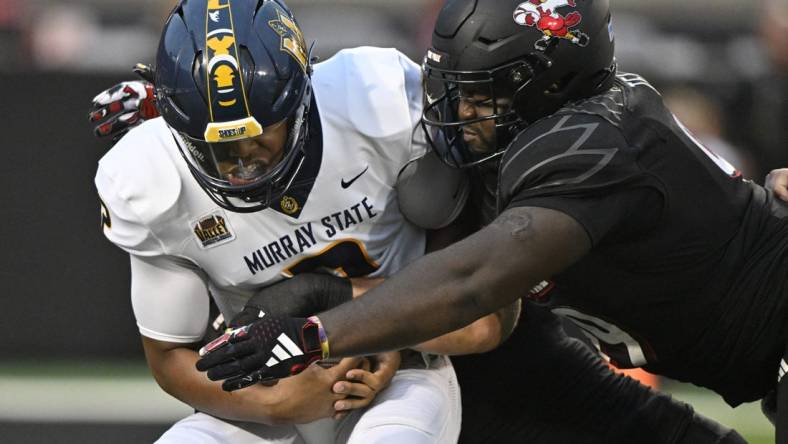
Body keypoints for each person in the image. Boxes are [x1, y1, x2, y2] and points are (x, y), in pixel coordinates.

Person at [195, 0, 788, 442]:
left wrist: (315, 333)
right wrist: (189, 95)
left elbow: (473, 283)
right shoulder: (527, 149)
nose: (458, 114)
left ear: (550, 86)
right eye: (452, 91)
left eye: (481, 97)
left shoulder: (594, 137)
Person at [93, 0, 475, 442]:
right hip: (262, 383)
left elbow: (479, 317)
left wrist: (382, 334)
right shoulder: (149, 178)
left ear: (301, 99)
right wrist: (273, 403)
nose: (242, 163)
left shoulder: (378, 102)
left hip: (399, 373)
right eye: (218, 147)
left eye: (259, 135)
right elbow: (169, 355)